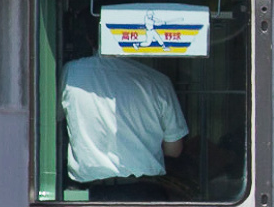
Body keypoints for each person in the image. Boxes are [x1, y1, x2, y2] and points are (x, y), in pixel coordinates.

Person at [61, 53, 189, 196]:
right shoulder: (158, 81)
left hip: (85, 193)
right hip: (144, 192)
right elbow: (174, 149)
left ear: (90, 39)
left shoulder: (71, 72)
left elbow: (52, 120)